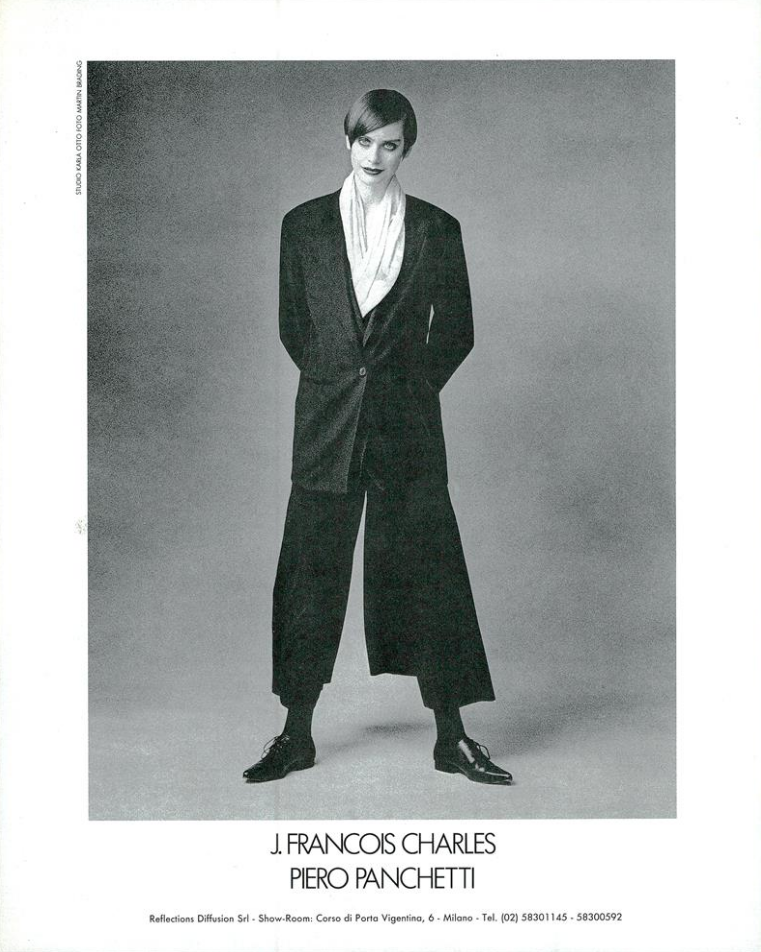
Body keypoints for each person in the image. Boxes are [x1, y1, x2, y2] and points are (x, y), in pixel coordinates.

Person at [244, 89, 512, 786]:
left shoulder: (436, 228)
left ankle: (452, 738)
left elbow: (457, 331)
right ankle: (295, 735)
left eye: (389, 144)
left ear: (405, 150)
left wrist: (406, 390)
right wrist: (340, 382)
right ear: (348, 143)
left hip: (407, 429)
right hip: (327, 426)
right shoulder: (303, 225)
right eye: (364, 142)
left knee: (431, 573)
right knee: (309, 576)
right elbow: (295, 326)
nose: (374, 156)